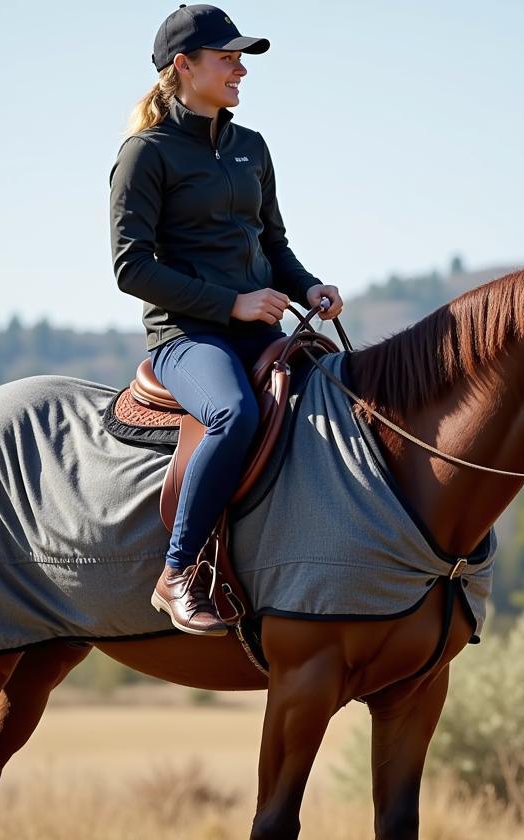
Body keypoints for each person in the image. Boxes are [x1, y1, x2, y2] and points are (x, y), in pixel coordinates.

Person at [109, 3, 343, 636]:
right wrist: (231, 304)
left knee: (346, 397)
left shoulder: (251, 147)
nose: (240, 69)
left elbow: (273, 245)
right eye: (227, 58)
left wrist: (308, 286)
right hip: (188, 337)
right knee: (232, 413)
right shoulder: (145, 155)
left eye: (242, 58)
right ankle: (177, 572)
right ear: (183, 67)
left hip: (261, 330)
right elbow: (131, 269)